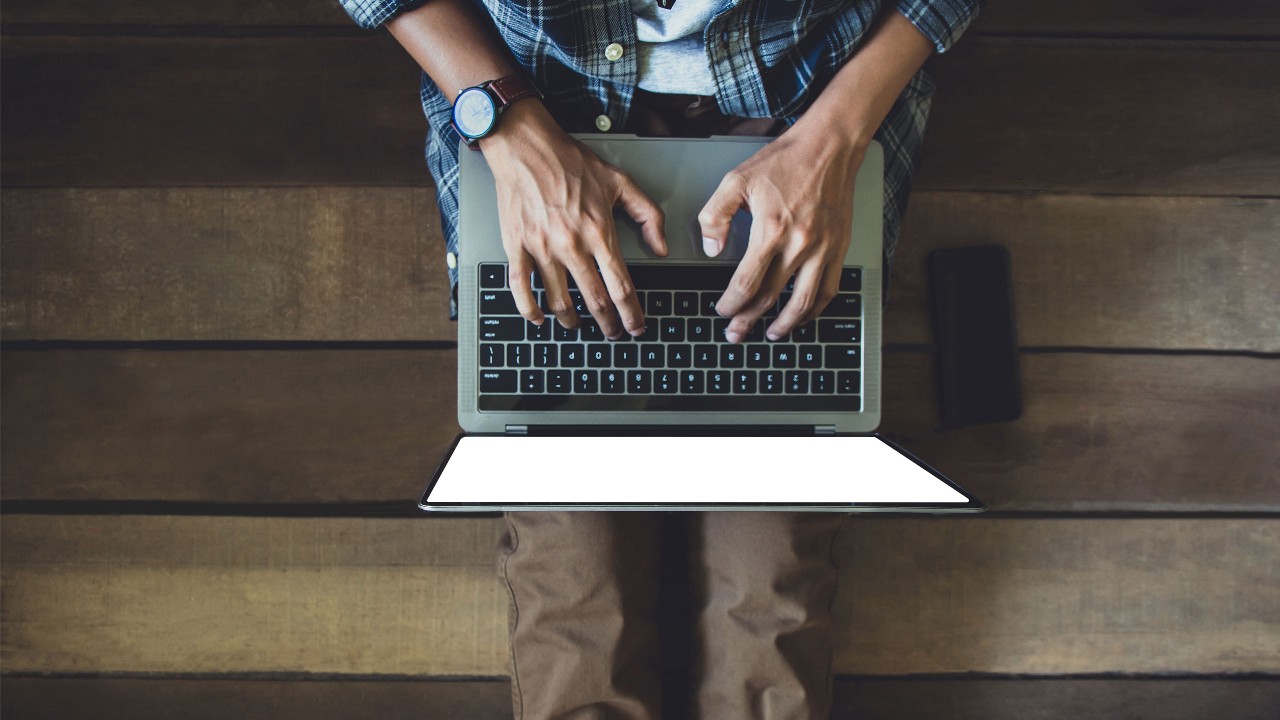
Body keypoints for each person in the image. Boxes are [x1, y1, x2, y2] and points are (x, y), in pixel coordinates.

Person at [340, 1, 979, 718]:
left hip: (812, 124)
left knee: (772, 597)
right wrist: (498, 113)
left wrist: (838, 134)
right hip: (533, 116)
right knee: (575, 591)